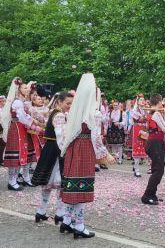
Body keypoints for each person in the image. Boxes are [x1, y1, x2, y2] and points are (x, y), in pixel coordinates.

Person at [59, 73, 115, 239]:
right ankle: (80, 225)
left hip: (73, 148)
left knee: (73, 185)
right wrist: (106, 154)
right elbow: (95, 137)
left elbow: (65, 135)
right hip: (84, 149)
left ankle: (67, 220)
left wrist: (65, 150)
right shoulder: (93, 113)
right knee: (82, 186)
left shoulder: (74, 111)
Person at [32, 92, 74, 224]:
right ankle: (59, 214)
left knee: (47, 183)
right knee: (59, 182)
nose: (70, 106)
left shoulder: (53, 112)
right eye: (68, 103)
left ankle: (41, 212)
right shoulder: (60, 115)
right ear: (59, 102)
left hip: (49, 149)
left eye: (71, 103)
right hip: (57, 150)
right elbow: (62, 137)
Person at [1, 77, 41, 190]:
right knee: (16, 155)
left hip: (23, 129)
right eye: (24, 88)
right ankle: (12, 181)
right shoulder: (17, 102)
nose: (27, 90)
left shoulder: (22, 101)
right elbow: (22, 117)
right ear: (18, 90)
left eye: (27, 88)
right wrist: (33, 124)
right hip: (17, 129)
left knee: (24, 155)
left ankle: (21, 178)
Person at [141, 94, 165, 205]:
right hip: (154, 143)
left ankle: (152, 194)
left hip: (156, 143)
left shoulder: (154, 112)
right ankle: (147, 195)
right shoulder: (157, 113)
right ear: (158, 102)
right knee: (159, 170)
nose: (163, 103)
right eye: (162, 101)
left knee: (156, 169)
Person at [131, 95, 148, 177]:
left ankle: (136, 166)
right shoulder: (135, 110)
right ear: (137, 101)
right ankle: (137, 169)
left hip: (144, 129)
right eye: (140, 100)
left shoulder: (146, 110)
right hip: (137, 129)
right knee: (137, 148)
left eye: (143, 100)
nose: (142, 101)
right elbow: (136, 118)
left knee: (144, 147)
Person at [0, 95, 6, 166]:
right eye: (4, 101)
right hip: (0, 127)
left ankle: (1, 159)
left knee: (2, 144)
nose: (5, 102)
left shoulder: (4, 109)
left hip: (3, 127)